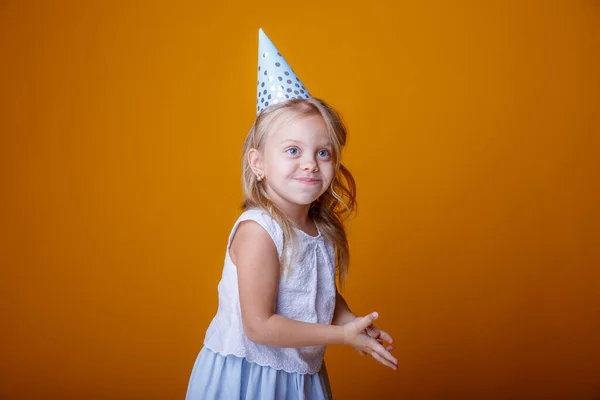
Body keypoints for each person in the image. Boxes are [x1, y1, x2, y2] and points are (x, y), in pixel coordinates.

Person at [185, 28, 397, 400]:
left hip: (298, 378)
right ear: (259, 163)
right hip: (250, 379)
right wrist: (339, 337)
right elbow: (260, 326)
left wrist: (351, 324)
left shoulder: (319, 230)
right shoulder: (259, 232)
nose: (311, 164)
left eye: (323, 152)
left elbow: (317, 298)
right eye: (293, 151)